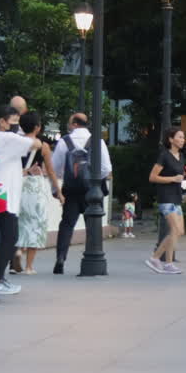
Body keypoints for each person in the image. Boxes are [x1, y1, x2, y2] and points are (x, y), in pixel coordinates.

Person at [0, 104, 42, 295]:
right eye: (14, 122)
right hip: (3, 194)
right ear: (2, 122)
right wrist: (28, 134)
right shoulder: (6, 137)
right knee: (10, 236)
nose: (16, 127)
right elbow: (37, 144)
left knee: (7, 236)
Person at [51, 113, 113, 275]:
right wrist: (93, 180)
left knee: (66, 225)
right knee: (92, 224)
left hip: (71, 190)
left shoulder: (64, 142)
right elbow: (106, 168)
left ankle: (61, 258)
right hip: (91, 191)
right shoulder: (97, 141)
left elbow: (55, 168)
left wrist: (56, 190)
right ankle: (93, 256)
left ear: (75, 124)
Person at [15, 112, 62, 275]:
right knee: (35, 224)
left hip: (17, 185)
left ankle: (18, 250)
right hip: (35, 187)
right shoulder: (43, 146)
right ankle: (29, 266)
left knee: (19, 221)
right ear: (37, 127)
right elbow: (51, 171)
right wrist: (59, 193)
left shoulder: (16, 143)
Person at [146, 126, 186, 274]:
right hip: (166, 197)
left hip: (176, 196)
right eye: (179, 137)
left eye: (183, 137)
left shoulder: (181, 156)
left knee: (179, 231)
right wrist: (173, 178)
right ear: (171, 139)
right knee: (175, 230)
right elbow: (152, 177)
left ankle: (169, 263)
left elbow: (179, 175)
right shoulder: (164, 155)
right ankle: (155, 258)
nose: (182, 140)